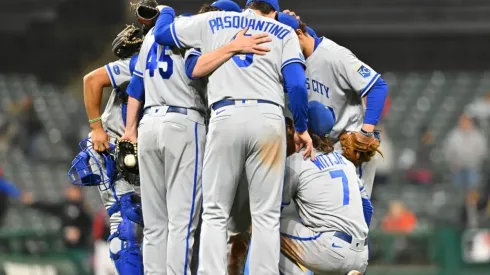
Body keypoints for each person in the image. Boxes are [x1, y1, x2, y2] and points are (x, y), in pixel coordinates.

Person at [151, 0, 312, 273]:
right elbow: (296, 85)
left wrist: (165, 10)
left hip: (225, 116)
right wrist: (301, 127)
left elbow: (163, 34)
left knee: (215, 211)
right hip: (268, 119)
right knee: (266, 215)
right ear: (273, 10)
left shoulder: (213, 21)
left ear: (248, 5)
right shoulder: (281, 31)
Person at [121, 1, 274, 273]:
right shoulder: (198, 34)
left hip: (148, 123)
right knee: (181, 222)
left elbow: (135, 88)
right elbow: (195, 69)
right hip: (183, 122)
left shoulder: (153, 39)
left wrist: (129, 130)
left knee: (155, 224)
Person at [278, 10, 389, 198]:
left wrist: (366, 132)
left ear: (297, 34)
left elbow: (378, 86)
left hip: (350, 147)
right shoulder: (291, 62)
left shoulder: (334, 55)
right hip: (320, 148)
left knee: (357, 210)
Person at [78, 23, 146, 275]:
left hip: (134, 151)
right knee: (125, 221)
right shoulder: (139, 63)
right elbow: (91, 80)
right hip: (112, 147)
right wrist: (96, 128)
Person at [279, 101, 369, 275]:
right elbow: (366, 206)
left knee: (265, 227)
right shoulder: (345, 163)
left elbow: (273, 210)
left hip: (329, 249)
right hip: (362, 254)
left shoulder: (296, 163)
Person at [444, 114, 488, 190]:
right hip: (457, 168)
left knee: (473, 188)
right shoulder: (454, 135)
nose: (464, 123)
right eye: (462, 121)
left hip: (473, 167)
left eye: (466, 121)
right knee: (457, 189)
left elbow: (482, 151)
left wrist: (475, 159)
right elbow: (448, 150)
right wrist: (453, 161)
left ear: (471, 122)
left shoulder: (478, 136)